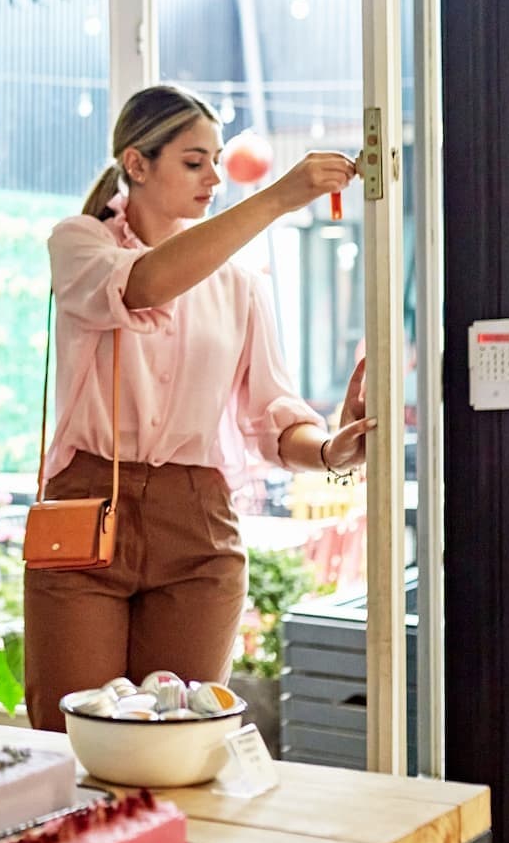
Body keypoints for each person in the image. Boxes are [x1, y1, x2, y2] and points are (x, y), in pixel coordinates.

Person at [24, 84, 374, 731]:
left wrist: (330, 449)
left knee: (180, 740)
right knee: (71, 735)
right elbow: (146, 284)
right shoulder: (79, 243)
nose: (214, 177)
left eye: (217, 160)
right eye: (194, 161)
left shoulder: (239, 283)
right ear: (136, 164)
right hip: (85, 507)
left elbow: (274, 414)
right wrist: (278, 199)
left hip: (197, 522)